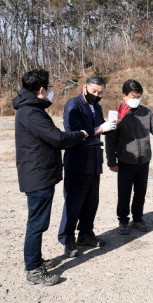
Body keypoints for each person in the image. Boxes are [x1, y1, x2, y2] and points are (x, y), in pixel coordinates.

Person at [13, 69, 88, 286]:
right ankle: (34, 270)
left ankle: (35, 261)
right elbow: (57, 139)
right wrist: (80, 134)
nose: (50, 93)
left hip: (39, 173)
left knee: (38, 222)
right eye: (49, 88)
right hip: (37, 176)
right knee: (37, 223)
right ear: (42, 89)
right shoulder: (31, 112)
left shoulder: (29, 110)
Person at [58, 76, 116, 257]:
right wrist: (100, 129)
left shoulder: (97, 107)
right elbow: (72, 134)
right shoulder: (73, 105)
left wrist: (112, 126)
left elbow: (100, 128)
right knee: (74, 202)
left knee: (91, 201)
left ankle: (86, 234)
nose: (97, 95)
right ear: (84, 88)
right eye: (94, 92)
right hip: (77, 161)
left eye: (101, 93)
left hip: (94, 161)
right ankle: (67, 239)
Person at [105, 80, 153, 235]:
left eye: (139, 97)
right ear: (124, 95)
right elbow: (110, 141)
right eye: (133, 96)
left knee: (140, 192)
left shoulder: (146, 112)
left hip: (143, 161)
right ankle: (123, 220)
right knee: (124, 193)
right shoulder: (117, 114)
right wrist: (111, 162)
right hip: (125, 161)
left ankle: (137, 219)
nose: (136, 100)